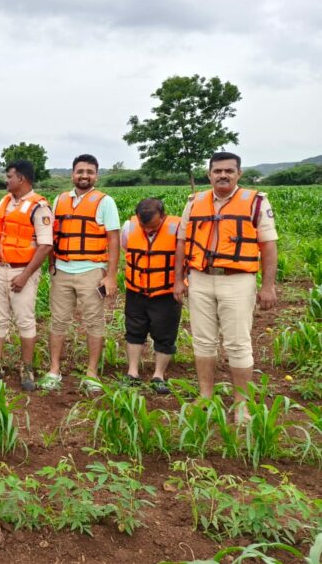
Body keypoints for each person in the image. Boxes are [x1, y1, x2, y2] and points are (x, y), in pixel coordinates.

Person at [174, 152, 278, 422]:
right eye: (217, 171)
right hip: (200, 278)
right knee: (203, 341)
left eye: (229, 171)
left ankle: (242, 403)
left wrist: (268, 286)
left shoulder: (256, 202)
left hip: (238, 280)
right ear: (208, 174)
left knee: (238, 343)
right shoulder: (194, 202)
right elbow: (182, 242)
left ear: (238, 174)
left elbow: (268, 246)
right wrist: (178, 280)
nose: (222, 175)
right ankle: (205, 395)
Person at [43, 154, 120, 394]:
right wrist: (52, 263)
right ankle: (54, 369)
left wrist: (111, 275)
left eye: (89, 171)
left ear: (96, 175)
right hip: (62, 270)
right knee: (58, 320)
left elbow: (114, 240)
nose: (84, 175)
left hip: (91, 270)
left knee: (94, 322)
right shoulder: (59, 200)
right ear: (72, 174)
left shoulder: (105, 202)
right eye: (80, 171)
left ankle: (92, 373)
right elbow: (51, 235)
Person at [0, 161, 53, 391]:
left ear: (21, 179)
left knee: (25, 320)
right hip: (0, 268)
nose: (6, 180)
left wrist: (24, 275)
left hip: (22, 271)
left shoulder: (39, 207)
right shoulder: (4, 202)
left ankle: (27, 368)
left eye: (9, 176)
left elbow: (45, 246)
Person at [121, 198, 182, 394]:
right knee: (134, 330)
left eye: (153, 226)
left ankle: (158, 375)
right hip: (136, 290)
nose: (147, 230)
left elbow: (186, 258)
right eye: (143, 225)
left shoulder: (178, 227)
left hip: (166, 292)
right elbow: (126, 248)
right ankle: (132, 373)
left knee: (165, 335)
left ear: (163, 217)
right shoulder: (129, 227)